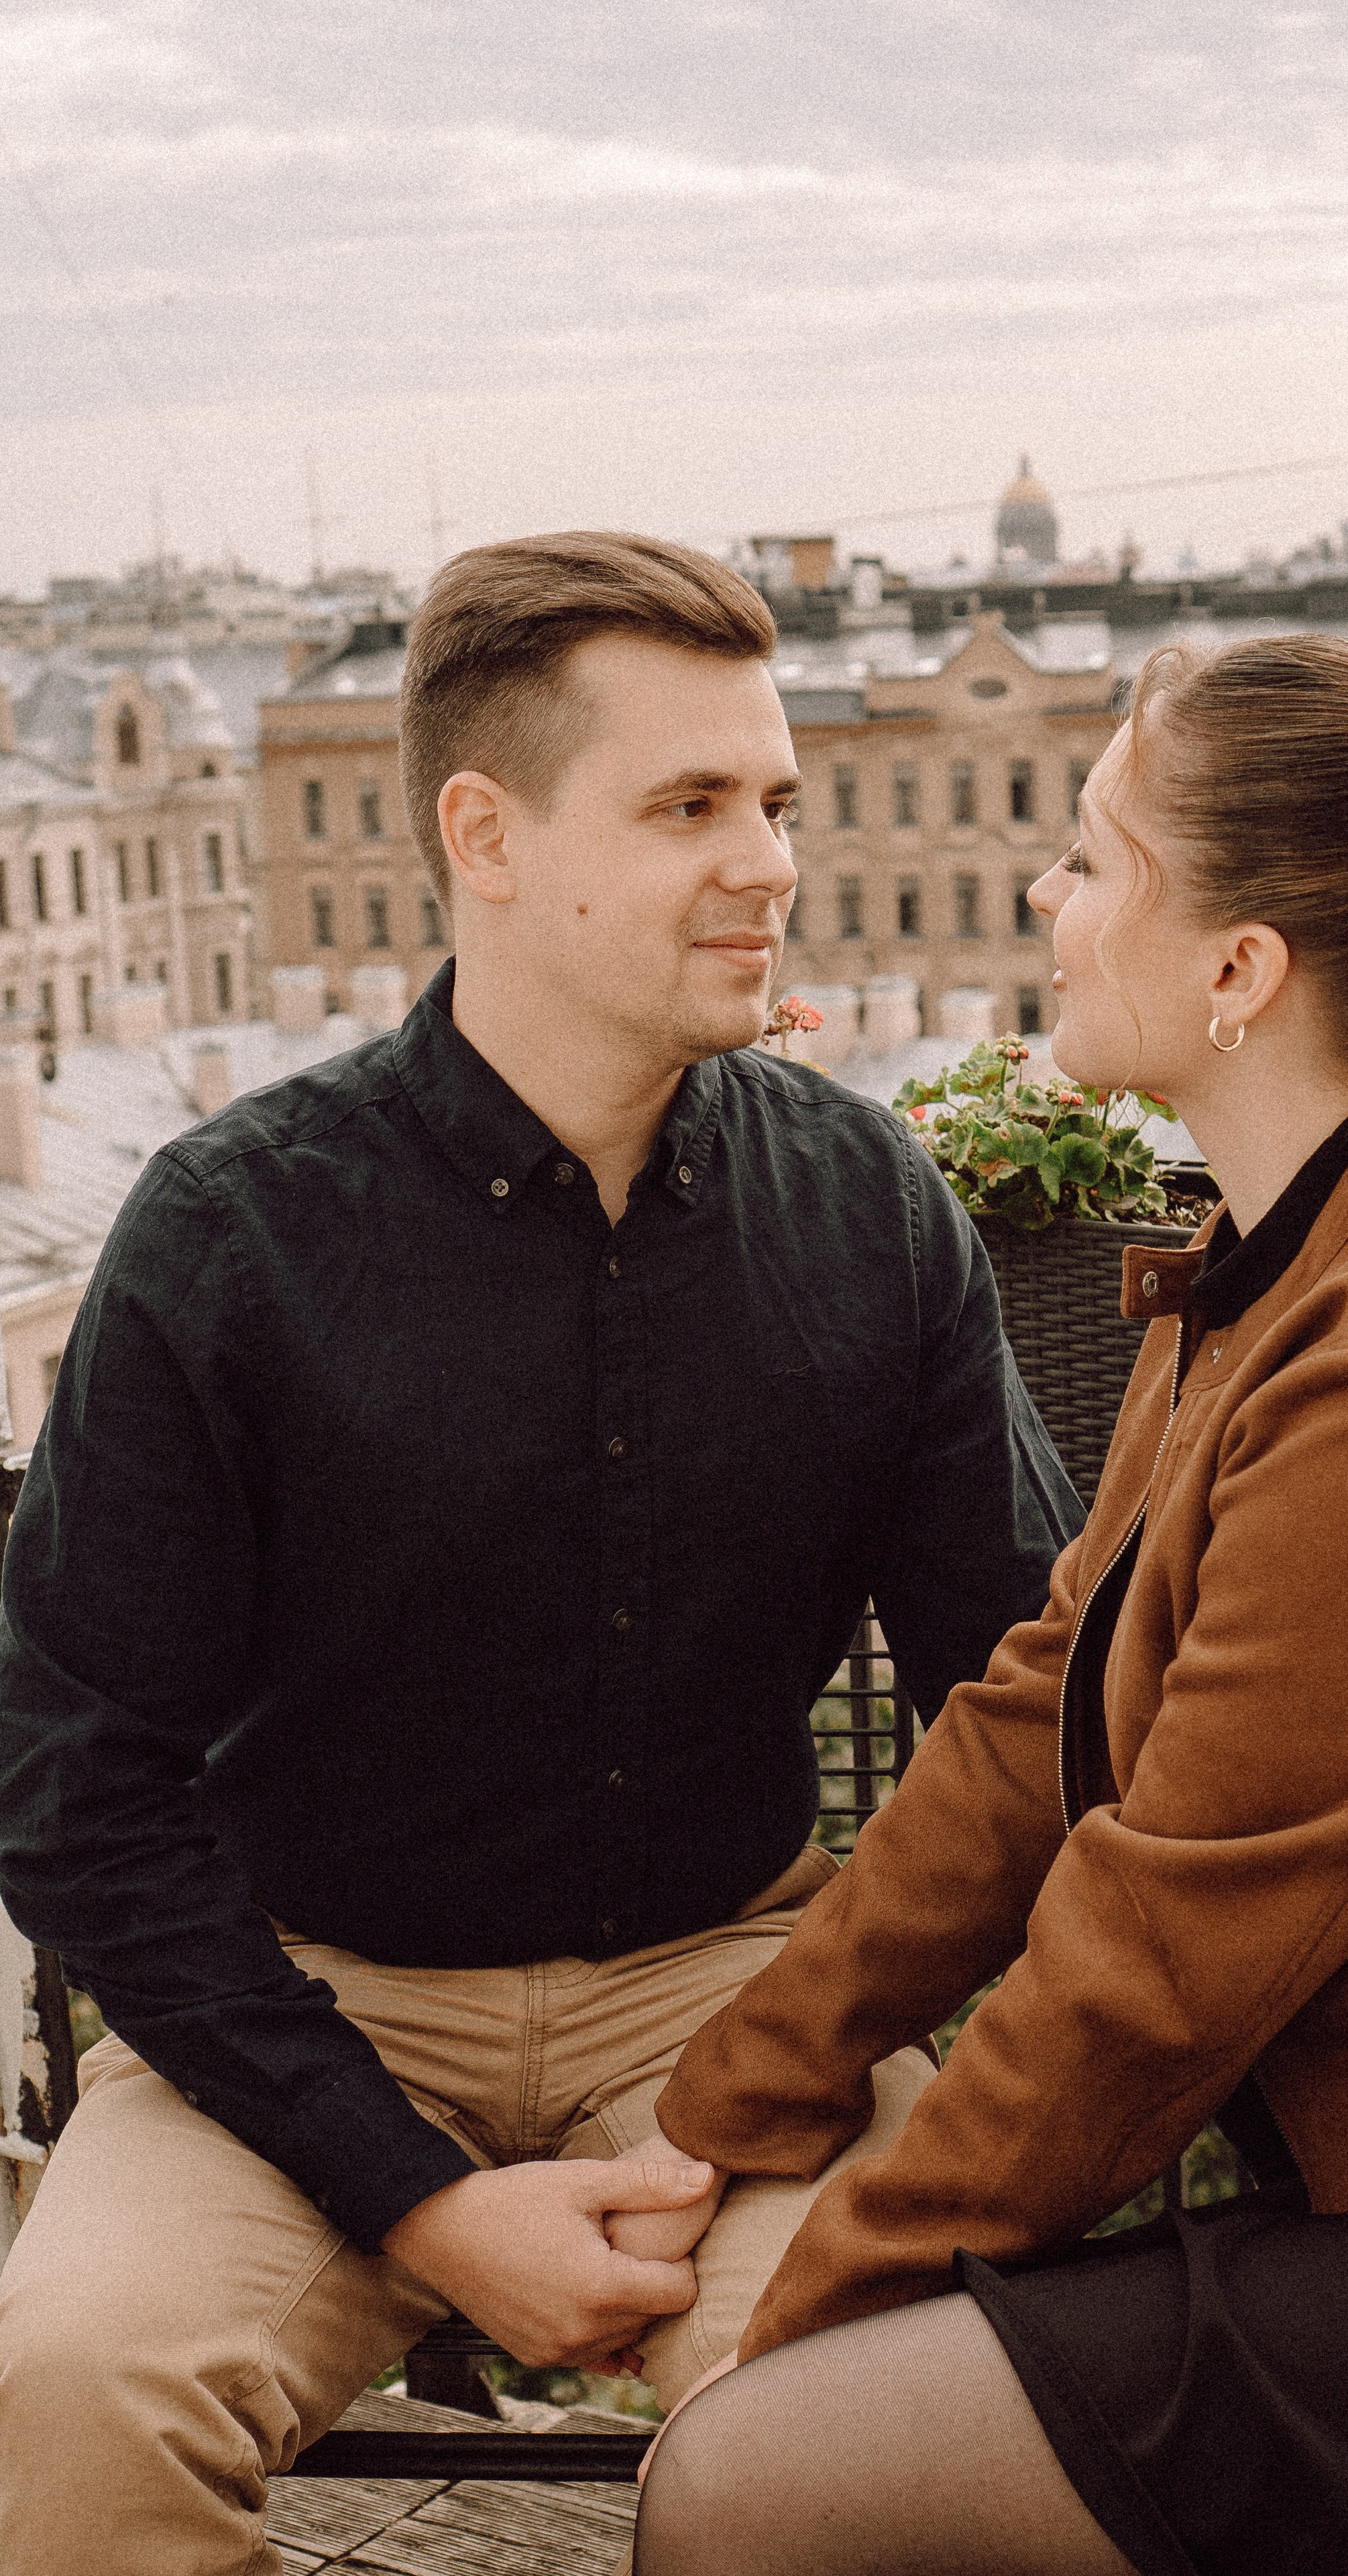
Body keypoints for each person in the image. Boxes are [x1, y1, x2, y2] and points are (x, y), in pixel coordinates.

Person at [0, 532, 1081, 2575]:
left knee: (878, 2433)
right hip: (307, 1993)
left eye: (775, 798)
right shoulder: (232, 1232)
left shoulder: (871, 1211)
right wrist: (410, 2195)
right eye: (688, 808)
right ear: (481, 837)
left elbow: (1022, 1707)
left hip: (735, 1984)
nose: (769, 859)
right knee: (74, 2398)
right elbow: (74, 1784)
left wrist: (800, 2050)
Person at [633, 606, 1348, 2576]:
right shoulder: (1300, 1255)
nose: (1047, 899)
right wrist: (719, 2115)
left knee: (749, 2492)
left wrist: (776, 2352)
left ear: (1238, 968)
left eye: (1093, 858)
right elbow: (1027, 1731)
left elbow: (1158, 1956)